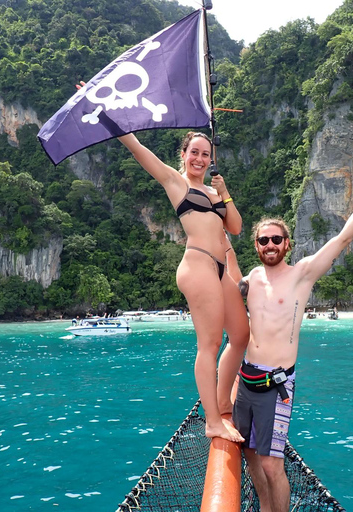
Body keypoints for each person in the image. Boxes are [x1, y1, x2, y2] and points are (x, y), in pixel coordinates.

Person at [233, 156, 353, 512]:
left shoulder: (302, 274)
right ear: (256, 245)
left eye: (276, 239)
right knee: (249, 454)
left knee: (273, 464)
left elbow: (344, 237)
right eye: (263, 240)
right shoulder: (252, 278)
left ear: (287, 243)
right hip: (245, 380)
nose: (269, 245)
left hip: (277, 385)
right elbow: (223, 290)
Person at [116, 130, 249, 442]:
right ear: (184, 155)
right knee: (210, 345)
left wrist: (225, 190)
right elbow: (137, 149)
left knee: (241, 334)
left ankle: (221, 400)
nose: (200, 159)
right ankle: (214, 422)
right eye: (195, 153)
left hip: (219, 269)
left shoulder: (215, 192)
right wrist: (113, 120)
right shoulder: (176, 182)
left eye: (206, 154)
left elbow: (236, 227)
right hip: (198, 265)